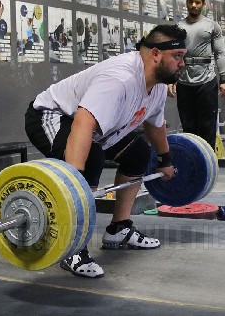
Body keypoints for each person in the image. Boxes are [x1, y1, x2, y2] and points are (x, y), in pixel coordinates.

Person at [25, 24, 187, 278]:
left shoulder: (156, 86)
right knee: (91, 158)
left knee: (139, 154)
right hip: (53, 114)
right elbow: (82, 123)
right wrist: (75, 181)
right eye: (178, 56)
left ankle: (118, 229)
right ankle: (73, 249)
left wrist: (165, 159)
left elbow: (155, 126)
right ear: (156, 54)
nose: (182, 63)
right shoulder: (119, 78)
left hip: (100, 127)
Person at [168, 0, 225, 150]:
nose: (194, 5)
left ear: (203, 4)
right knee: (188, 124)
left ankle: (208, 161)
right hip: (184, 80)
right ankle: (192, 159)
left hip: (207, 80)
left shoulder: (212, 26)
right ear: (187, 4)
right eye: (191, 2)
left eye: (197, 2)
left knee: (207, 125)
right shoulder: (178, 27)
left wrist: (224, 79)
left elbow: (220, 53)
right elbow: (174, 55)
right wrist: (171, 79)